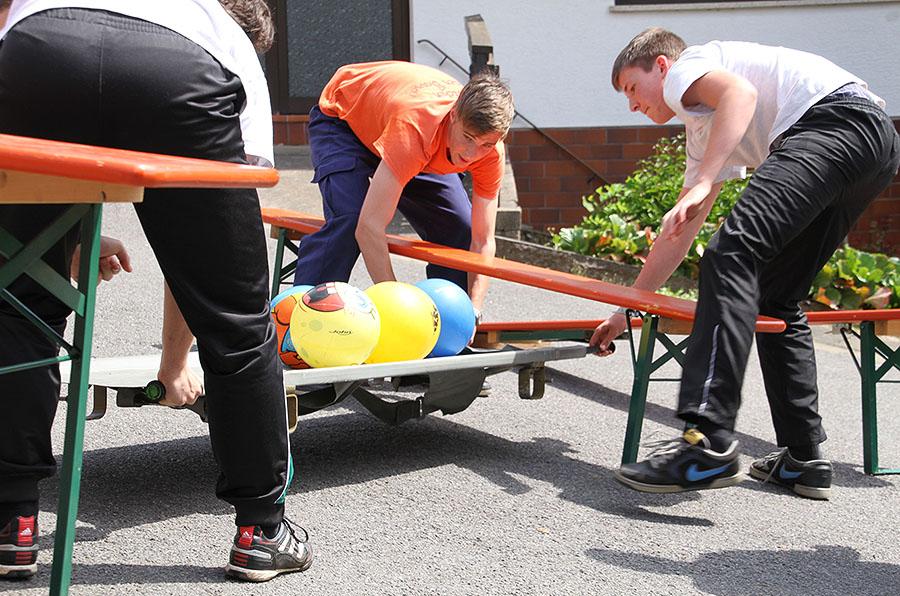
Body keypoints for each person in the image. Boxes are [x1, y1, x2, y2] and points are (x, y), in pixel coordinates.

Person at [0, 0, 312, 582]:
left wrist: (59, 238)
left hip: (35, 45)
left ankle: (8, 524)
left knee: (20, 301)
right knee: (238, 320)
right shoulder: (226, 42)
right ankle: (262, 533)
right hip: (175, 72)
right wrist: (175, 362)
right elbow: (204, 261)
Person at [591, 28, 900, 500]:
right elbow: (677, 238)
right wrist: (626, 308)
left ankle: (707, 442)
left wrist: (707, 178)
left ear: (660, 66)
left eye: (631, 88)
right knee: (777, 295)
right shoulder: (702, 129)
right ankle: (804, 458)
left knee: (731, 252)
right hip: (873, 142)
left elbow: (741, 92)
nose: (632, 105)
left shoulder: (688, 69)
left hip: (833, 123)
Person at [292, 61, 515, 319]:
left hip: (410, 137)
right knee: (350, 219)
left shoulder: (490, 154)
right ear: (454, 115)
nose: (472, 154)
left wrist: (474, 308)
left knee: (460, 231)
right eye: (467, 137)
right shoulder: (417, 128)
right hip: (345, 120)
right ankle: (304, 320)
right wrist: (398, 311)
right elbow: (369, 228)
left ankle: (449, 325)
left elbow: (483, 240)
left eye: (486, 144)